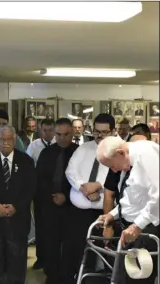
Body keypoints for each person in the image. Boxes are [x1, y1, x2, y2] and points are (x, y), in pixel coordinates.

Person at [0, 126, 37, 284]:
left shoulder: (26, 161)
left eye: (9, 139)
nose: (5, 143)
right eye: (2, 139)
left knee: (16, 262)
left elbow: (31, 189)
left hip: (17, 219)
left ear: (15, 140)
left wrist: (16, 206)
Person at [97, 137, 159, 284]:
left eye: (112, 165)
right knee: (120, 278)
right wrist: (111, 215)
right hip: (131, 228)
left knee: (137, 278)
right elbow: (131, 199)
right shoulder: (128, 160)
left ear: (120, 153)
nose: (113, 170)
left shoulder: (146, 154)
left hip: (148, 228)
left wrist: (137, 225)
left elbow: (158, 194)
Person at [62, 113, 116, 284]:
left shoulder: (118, 151)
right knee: (76, 251)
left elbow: (118, 175)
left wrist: (99, 184)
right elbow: (70, 171)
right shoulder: (83, 148)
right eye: (96, 131)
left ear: (113, 131)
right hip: (78, 213)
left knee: (100, 253)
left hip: (103, 212)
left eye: (104, 132)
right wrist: (84, 188)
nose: (99, 135)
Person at [36, 118, 78, 284]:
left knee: (70, 244)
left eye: (66, 134)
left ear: (72, 133)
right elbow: (39, 179)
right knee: (50, 243)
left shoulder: (78, 152)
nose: (61, 138)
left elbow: (80, 181)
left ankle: (68, 276)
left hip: (72, 207)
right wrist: (52, 196)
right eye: (58, 134)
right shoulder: (46, 153)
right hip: (50, 205)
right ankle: (51, 275)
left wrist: (65, 197)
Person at [26, 118, 56, 270]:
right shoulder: (34, 146)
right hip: (39, 192)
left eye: (51, 130)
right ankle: (41, 257)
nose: (48, 133)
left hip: (57, 192)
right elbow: (28, 168)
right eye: (45, 130)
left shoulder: (59, 144)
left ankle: (54, 258)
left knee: (55, 227)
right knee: (41, 226)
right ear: (40, 130)